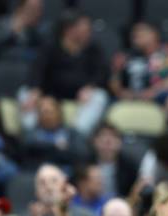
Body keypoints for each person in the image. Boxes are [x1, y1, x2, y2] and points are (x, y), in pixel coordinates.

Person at [23, 9, 109, 137]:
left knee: (100, 96)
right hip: (50, 94)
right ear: (69, 29)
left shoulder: (93, 49)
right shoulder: (50, 47)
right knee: (24, 94)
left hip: (80, 95)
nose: (89, 32)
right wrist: (35, 90)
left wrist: (90, 87)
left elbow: (102, 73)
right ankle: (32, 134)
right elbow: (37, 70)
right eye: (84, 28)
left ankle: (77, 135)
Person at [16, 163, 98, 216]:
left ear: (65, 184)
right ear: (36, 191)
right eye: (42, 183)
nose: (48, 187)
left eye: (54, 181)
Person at [110, 21, 168, 103]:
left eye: (141, 31)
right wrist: (116, 74)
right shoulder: (126, 56)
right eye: (134, 32)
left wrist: (153, 92)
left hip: (161, 99)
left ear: (154, 34)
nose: (136, 34)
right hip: (130, 100)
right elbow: (114, 84)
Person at [89, 124, 138, 197]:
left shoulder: (129, 166)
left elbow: (131, 192)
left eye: (113, 136)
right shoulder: (85, 164)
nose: (107, 140)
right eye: (103, 136)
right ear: (94, 141)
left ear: (120, 142)